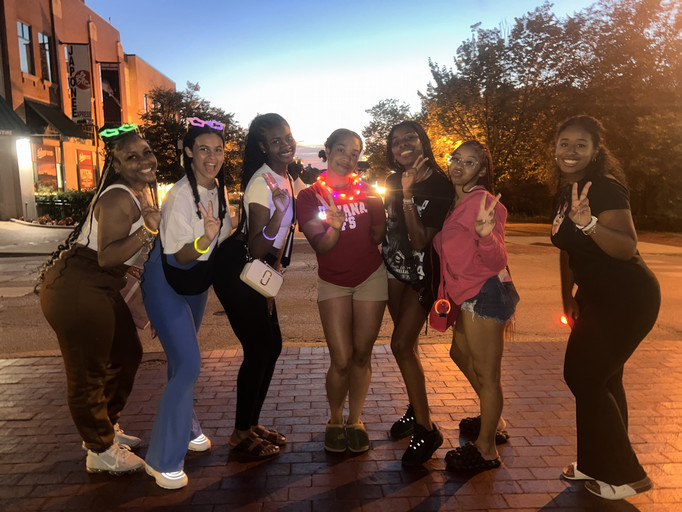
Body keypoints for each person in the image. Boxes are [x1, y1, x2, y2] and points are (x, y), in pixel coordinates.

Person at [39, 124, 159, 475]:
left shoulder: (139, 193)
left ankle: (107, 428)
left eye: (146, 152)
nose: (144, 161)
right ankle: (100, 450)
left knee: (126, 354)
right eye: (131, 157)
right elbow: (107, 256)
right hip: (80, 285)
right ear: (117, 165)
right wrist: (148, 231)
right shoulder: (120, 196)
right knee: (87, 373)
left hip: (99, 285)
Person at [550, 115, 659, 500]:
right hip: (596, 298)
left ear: (596, 151)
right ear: (555, 147)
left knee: (583, 376)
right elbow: (566, 251)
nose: (571, 151)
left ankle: (626, 475)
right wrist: (568, 298)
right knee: (604, 379)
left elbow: (626, 246)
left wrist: (590, 223)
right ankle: (596, 463)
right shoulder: (568, 191)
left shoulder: (606, 189)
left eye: (581, 144)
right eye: (565, 143)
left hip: (627, 297)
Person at [141, 118, 232, 489]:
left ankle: (189, 426)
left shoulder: (218, 190)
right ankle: (162, 458)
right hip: (168, 282)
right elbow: (179, 256)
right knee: (190, 365)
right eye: (204, 149)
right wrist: (204, 239)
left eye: (219, 149)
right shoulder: (179, 195)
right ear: (189, 153)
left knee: (181, 361)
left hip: (196, 284)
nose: (213, 157)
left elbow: (221, 245)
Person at [213, 113, 302, 459]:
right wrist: (278, 217)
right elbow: (257, 245)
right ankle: (240, 434)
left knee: (271, 346)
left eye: (288, 136)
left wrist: (272, 282)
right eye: (276, 141)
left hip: (260, 272)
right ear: (262, 146)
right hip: (238, 269)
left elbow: (275, 249)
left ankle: (250, 424)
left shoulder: (286, 178)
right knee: (260, 349)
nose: (285, 145)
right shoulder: (260, 184)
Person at [297, 129, 387, 453]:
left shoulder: (369, 193)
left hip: (371, 277)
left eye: (355, 152)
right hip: (333, 280)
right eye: (342, 149)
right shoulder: (309, 197)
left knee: (362, 355)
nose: (348, 157)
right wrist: (334, 227)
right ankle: (335, 419)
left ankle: (355, 420)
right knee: (341, 359)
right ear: (327, 151)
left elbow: (378, 232)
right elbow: (321, 246)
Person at [433, 140, 519, 472]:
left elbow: (497, 257)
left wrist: (485, 234)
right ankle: (491, 419)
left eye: (469, 162)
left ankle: (486, 448)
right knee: (459, 355)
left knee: (488, 374)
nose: (459, 166)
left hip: (485, 293)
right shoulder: (458, 201)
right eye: (456, 158)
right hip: (467, 294)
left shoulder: (484, 202)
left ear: (481, 170)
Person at [382, 121, 454, 466]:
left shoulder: (440, 184)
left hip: (424, 276)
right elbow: (389, 227)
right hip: (395, 270)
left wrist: (409, 195)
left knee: (399, 344)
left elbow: (421, 239)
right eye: (396, 142)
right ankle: (415, 408)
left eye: (410, 138)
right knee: (406, 346)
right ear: (392, 152)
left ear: (423, 142)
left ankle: (427, 430)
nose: (403, 145)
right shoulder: (390, 181)